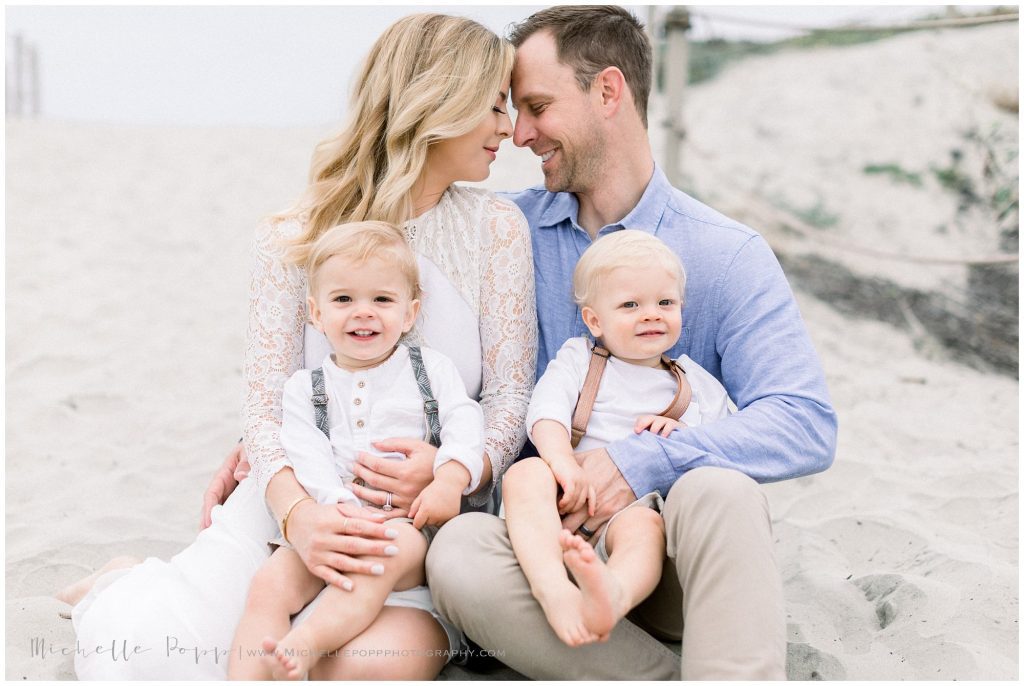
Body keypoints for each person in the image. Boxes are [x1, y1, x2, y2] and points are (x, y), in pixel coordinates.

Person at [68, 13, 536, 680]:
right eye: (493, 107)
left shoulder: (496, 228)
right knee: (147, 655)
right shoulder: (292, 234)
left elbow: (510, 393)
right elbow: (262, 408)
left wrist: (456, 470)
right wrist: (300, 517)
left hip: (422, 530)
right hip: (293, 511)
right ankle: (121, 586)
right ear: (438, 102)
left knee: (361, 667)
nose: (507, 130)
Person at [425, 5, 838, 680]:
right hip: (539, 561)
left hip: (665, 561)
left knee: (721, 491)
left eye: (536, 106)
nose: (520, 135)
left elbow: (804, 424)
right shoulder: (505, 233)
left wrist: (645, 462)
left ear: (608, 91)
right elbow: (408, 344)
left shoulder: (725, 253)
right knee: (460, 552)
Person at [228, 221, 485, 680]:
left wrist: (450, 477)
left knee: (384, 554)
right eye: (343, 299)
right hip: (332, 527)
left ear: (410, 314)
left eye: (382, 300)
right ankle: (250, 678)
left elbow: (466, 422)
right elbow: (303, 451)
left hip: (406, 538)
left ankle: (304, 645)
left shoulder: (432, 370)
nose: (362, 313)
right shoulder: (305, 389)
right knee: (269, 584)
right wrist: (337, 504)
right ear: (316, 313)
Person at [503, 229, 732, 648]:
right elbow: (545, 413)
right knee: (524, 474)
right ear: (595, 320)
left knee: (645, 527)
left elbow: (726, 442)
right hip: (567, 495)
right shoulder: (580, 358)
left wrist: (683, 436)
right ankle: (552, 587)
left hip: (631, 511)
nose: (651, 314)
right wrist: (561, 462)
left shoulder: (693, 384)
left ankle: (613, 591)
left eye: (665, 302)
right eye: (630, 305)